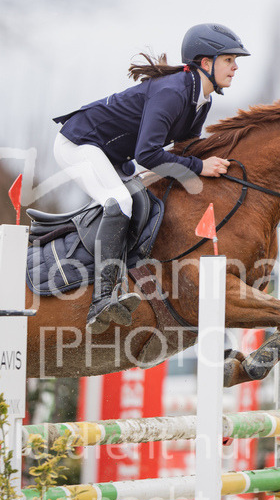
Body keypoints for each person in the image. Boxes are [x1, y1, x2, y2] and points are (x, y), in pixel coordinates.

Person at [52, 23, 250, 333]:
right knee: (118, 203)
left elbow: (185, 151)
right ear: (206, 63)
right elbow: (148, 155)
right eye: (229, 60)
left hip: (113, 156)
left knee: (143, 200)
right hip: (80, 143)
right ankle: (101, 300)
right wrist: (199, 168)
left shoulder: (202, 101)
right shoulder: (172, 92)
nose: (236, 67)